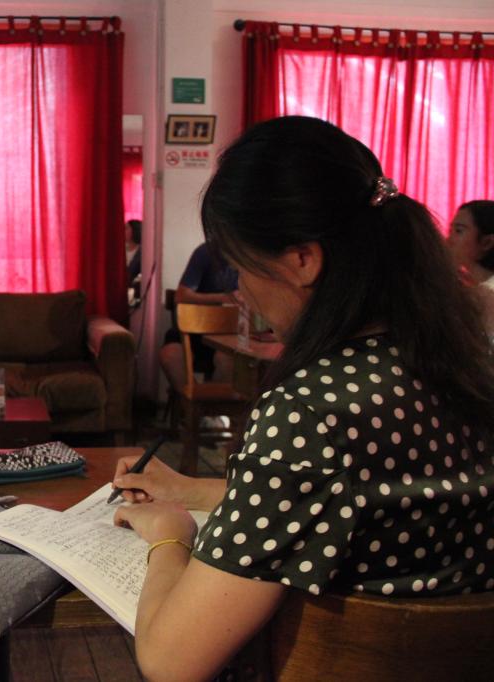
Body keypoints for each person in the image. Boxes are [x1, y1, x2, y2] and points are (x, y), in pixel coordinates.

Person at [111, 116, 494, 681]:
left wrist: (170, 535)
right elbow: (357, 502)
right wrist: (191, 489)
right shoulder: (462, 371)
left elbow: (171, 662)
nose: (241, 290)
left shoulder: (311, 411)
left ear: (302, 260)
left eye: (241, 267)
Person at [158, 242, 239, 392]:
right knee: (170, 355)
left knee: (229, 359)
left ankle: (214, 402)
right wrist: (224, 298)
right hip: (194, 331)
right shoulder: (207, 252)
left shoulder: (254, 259)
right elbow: (181, 296)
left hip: (230, 335)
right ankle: (192, 400)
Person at [446, 200, 494, 337]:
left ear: (487, 242)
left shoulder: (486, 297)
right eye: (450, 231)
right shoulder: (473, 287)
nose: (448, 239)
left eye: (458, 231)